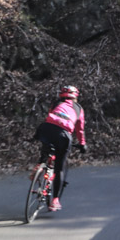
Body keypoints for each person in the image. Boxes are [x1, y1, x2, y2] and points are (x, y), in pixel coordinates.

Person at [33, 84, 86, 212]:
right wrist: (82, 144)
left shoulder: (56, 103)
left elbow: (51, 118)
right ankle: (55, 200)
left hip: (45, 128)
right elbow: (80, 129)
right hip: (63, 134)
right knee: (59, 169)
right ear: (75, 97)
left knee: (47, 145)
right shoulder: (78, 108)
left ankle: (39, 165)